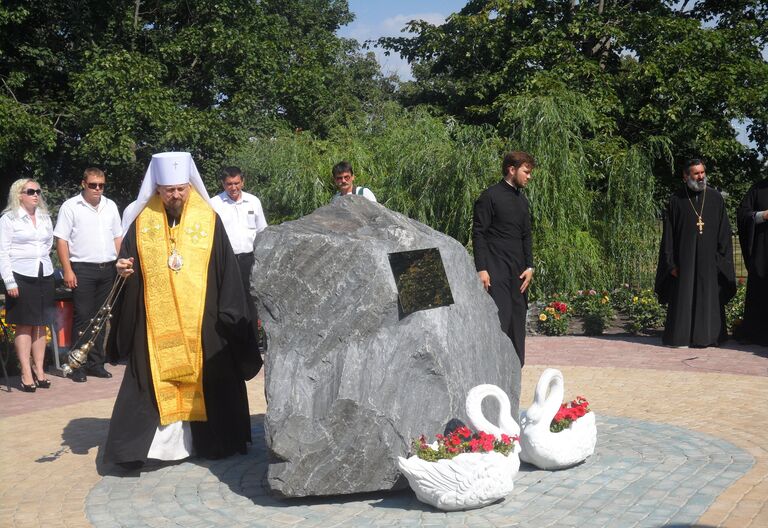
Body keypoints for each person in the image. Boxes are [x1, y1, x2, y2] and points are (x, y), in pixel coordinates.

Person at [103, 152, 262, 468]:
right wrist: (122, 270)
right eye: (168, 189)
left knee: (212, 373)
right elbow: (127, 264)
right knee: (148, 378)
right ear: (157, 188)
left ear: (189, 186)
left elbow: (226, 269)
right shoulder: (141, 221)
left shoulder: (209, 219)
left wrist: (232, 315)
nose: (175, 195)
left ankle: (213, 442)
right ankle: (146, 449)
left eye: (180, 189)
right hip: (155, 321)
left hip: (203, 317)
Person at [654, 159, 736, 348]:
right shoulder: (676, 200)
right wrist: (671, 264)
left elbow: (724, 232)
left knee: (708, 298)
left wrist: (721, 260)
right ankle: (681, 338)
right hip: (684, 262)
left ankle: (709, 337)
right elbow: (668, 236)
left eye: (702, 172)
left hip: (710, 262)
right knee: (684, 297)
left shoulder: (715, 198)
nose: (701, 177)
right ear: (686, 176)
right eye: (696, 173)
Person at [54, 167, 122, 382]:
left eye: (101, 185)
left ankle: (96, 363)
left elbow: (117, 237)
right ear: (83, 183)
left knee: (102, 317)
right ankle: (77, 365)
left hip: (108, 267)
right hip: (82, 268)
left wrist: (121, 261)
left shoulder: (110, 205)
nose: (97, 189)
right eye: (93, 185)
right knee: (83, 318)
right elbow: (61, 240)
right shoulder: (71, 206)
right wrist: (67, 269)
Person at [472, 151, 535, 367]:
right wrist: (481, 268)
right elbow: (478, 233)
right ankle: (493, 375)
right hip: (496, 271)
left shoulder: (522, 200)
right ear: (511, 169)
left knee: (517, 326)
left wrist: (530, 266)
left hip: (518, 274)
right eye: (526, 172)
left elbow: (526, 235)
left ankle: (514, 377)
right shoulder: (489, 197)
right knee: (499, 323)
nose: (529, 176)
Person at [0, 179, 55, 392]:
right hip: (20, 275)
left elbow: (47, 244)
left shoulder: (44, 217)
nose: (36, 195)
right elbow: (3, 252)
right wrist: (9, 280)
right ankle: (25, 372)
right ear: (19, 195)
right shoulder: (9, 219)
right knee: (24, 324)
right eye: (30, 191)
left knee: (41, 324)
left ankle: (39, 370)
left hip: (44, 272)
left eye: (38, 191)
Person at [210, 166, 267, 294]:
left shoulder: (253, 201)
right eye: (229, 184)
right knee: (229, 295)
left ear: (242, 182)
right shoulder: (214, 204)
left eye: (236, 183)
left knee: (250, 294)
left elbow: (262, 230)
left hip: (250, 258)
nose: (233, 187)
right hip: (226, 260)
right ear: (223, 184)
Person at [736, 177, 768, 345]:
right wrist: (762, 215)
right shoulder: (758, 188)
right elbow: (742, 214)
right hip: (763, 252)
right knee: (760, 291)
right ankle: (757, 334)